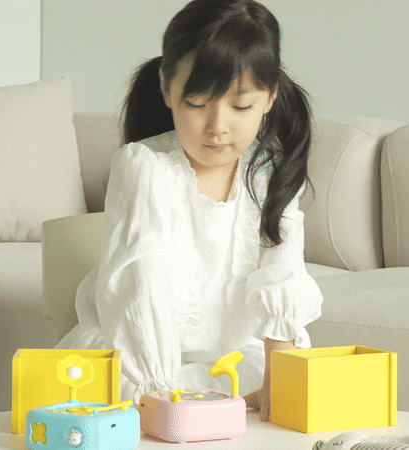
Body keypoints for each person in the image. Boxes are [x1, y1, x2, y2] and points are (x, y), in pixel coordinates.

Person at [56, 0, 323, 421]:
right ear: (167, 89)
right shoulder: (144, 166)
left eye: (241, 107)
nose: (217, 126)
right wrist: (163, 396)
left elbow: (283, 274)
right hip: (140, 362)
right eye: (197, 103)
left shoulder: (269, 171)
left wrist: (281, 379)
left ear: (270, 96)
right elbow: (143, 290)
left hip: (232, 361)